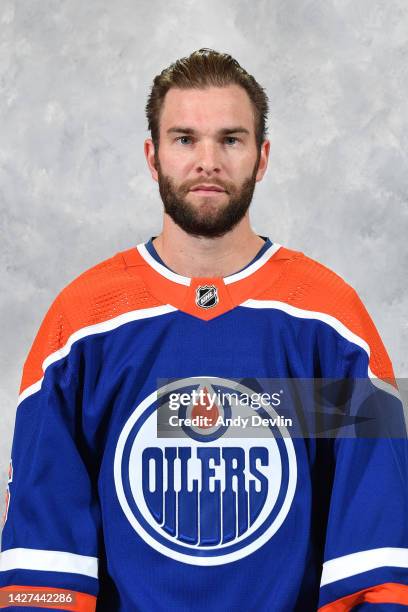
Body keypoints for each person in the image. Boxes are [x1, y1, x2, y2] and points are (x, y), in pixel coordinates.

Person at [0, 48, 407, 611]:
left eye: (231, 140)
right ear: (153, 155)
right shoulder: (82, 325)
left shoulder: (331, 323)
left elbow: (376, 563)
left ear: (262, 158)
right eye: (185, 139)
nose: (207, 160)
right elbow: (44, 573)